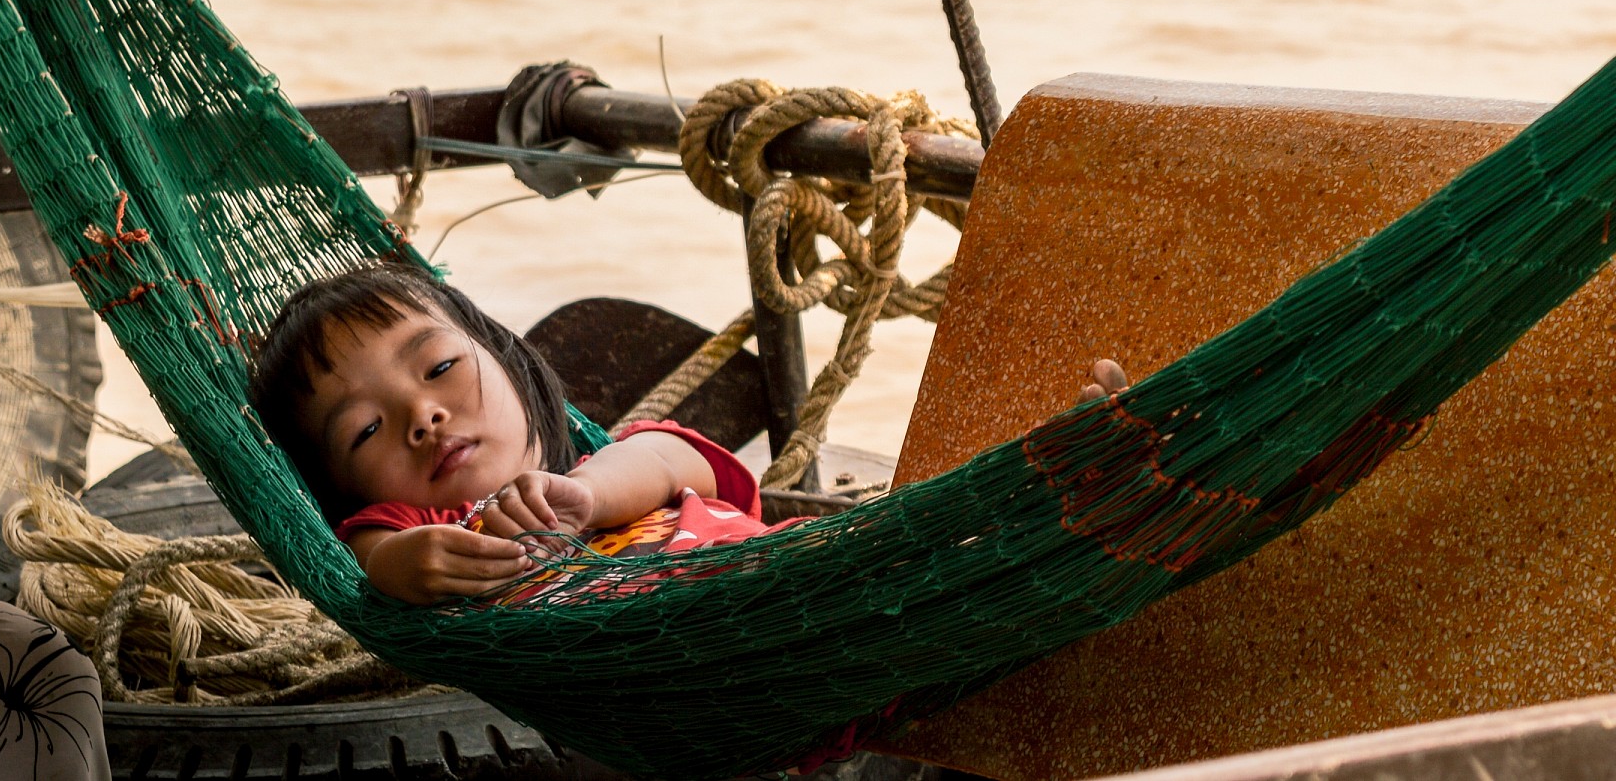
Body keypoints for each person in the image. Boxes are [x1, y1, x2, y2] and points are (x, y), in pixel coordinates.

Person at [251, 265, 1126, 605]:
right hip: (729, 644)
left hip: (804, 577)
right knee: (959, 575)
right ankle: (1070, 493)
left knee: (937, 548)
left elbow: (670, 456)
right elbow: (367, 565)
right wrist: (423, 561)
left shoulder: (602, 472)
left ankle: (1065, 476)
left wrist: (583, 496)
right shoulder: (417, 533)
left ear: (509, 361)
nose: (422, 414)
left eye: (439, 367)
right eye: (367, 428)